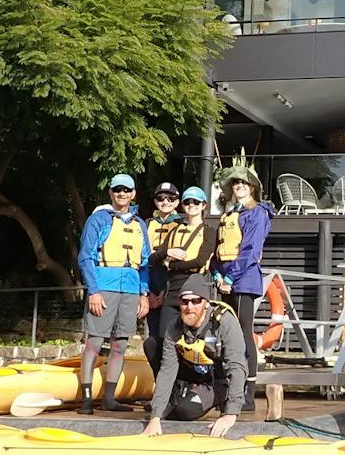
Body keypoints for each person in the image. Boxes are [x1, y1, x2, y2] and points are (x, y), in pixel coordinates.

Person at [75, 173, 149, 414]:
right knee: (94, 342)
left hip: (130, 287)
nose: (121, 194)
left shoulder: (140, 224)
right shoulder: (98, 219)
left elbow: (145, 262)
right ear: (110, 192)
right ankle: (86, 399)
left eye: (126, 190)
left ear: (133, 193)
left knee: (120, 344)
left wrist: (143, 293)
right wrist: (93, 292)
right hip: (104, 287)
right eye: (117, 189)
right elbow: (85, 257)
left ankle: (109, 398)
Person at [142, 274, 248, 438]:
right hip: (194, 370)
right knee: (152, 344)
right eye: (184, 302)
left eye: (195, 301)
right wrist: (155, 416)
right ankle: (170, 400)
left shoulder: (224, 321)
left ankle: (215, 400)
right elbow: (167, 370)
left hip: (217, 379)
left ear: (205, 304)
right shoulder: (175, 326)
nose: (189, 307)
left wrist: (231, 414)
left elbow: (237, 366)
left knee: (185, 410)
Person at [211, 152, 274, 412]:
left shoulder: (257, 213)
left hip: (243, 281)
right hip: (224, 281)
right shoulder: (229, 214)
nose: (238, 187)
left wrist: (229, 277)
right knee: (225, 336)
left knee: (243, 333)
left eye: (243, 183)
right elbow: (218, 249)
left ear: (252, 187)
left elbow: (249, 250)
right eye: (235, 183)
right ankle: (227, 390)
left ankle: (248, 393)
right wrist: (216, 273)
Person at [144, 185, 215, 373]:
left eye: (196, 202)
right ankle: (168, 387)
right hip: (173, 289)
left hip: (194, 286)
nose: (191, 205)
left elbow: (200, 260)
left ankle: (193, 382)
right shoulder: (175, 229)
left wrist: (171, 264)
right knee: (162, 340)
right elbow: (153, 257)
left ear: (203, 205)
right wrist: (167, 253)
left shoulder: (208, 231)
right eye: (187, 202)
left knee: (193, 340)